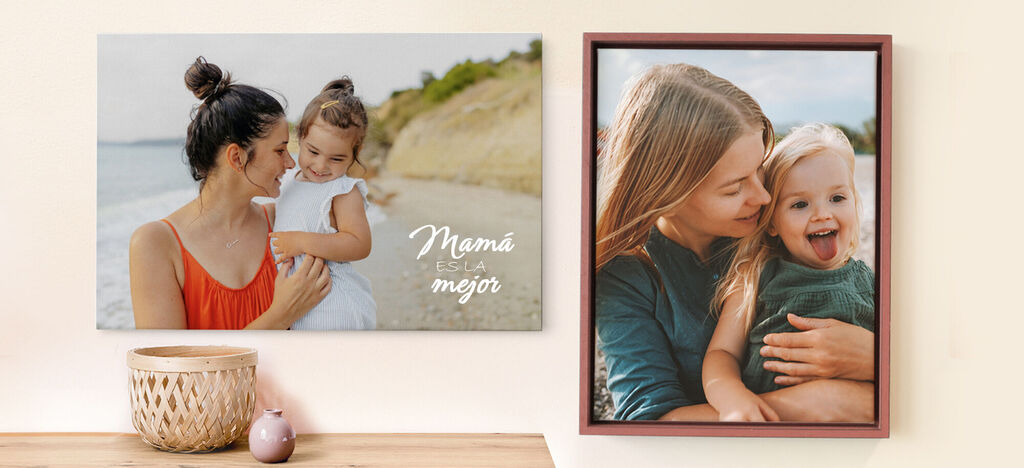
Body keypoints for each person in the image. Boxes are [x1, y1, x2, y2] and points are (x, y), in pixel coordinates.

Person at [595, 63, 875, 422]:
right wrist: (823, 403)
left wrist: (872, 356)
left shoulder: (778, 237)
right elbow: (646, 423)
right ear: (668, 194)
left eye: (760, 170)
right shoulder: (626, 277)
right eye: (734, 188)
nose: (764, 197)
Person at [130, 57, 330, 329]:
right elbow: (170, 356)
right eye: (279, 150)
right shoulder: (155, 243)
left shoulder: (282, 221)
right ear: (237, 158)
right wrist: (281, 314)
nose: (290, 162)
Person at [702, 123, 875, 421]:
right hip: (769, 424)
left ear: (855, 203)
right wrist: (732, 398)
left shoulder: (872, 284)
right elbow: (722, 353)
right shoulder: (755, 278)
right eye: (800, 204)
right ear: (772, 223)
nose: (822, 214)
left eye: (837, 198)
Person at [269, 78, 377, 330]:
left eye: (336, 159)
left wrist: (301, 241)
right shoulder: (290, 181)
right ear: (300, 136)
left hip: (334, 305)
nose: (320, 166)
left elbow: (359, 244)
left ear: (355, 152)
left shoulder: (342, 191)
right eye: (313, 152)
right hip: (297, 305)